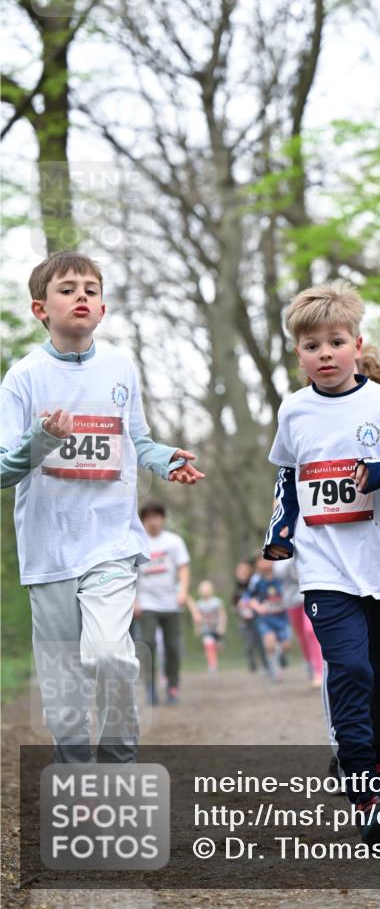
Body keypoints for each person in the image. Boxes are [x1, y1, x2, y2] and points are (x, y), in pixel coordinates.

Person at [0, 251, 204, 763]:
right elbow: (4, 469)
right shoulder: (23, 378)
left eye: (90, 288)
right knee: (64, 677)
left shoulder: (120, 368)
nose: (81, 296)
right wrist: (42, 438)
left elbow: (136, 439)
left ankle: (117, 764)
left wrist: (163, 460)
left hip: (111, 543)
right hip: (48, 551)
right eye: (67, 289)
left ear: (104, 307)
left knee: (112, 655)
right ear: (40, 308)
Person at [263, 281, 380, 844]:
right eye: (312, 345)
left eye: (335, 342)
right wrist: (280, 533)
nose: (325, 354)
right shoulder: (294, 409)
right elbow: (288, 478)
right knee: (350, 669)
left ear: (357, 345)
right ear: (299, 353)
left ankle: (379, 761)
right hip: (324, 568)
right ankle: (363, 786)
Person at [134, 501, 191, 704]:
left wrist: (183, 591)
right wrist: (134, 601)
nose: (153, 522)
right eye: (148, 518)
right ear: (143, 521)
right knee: (147, 643)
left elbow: (183, 567)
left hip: (171, 603)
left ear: (163, 519)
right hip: (147, 603)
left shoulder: (174, 541)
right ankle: (150, 687)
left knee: (173, 647)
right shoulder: (137, 543)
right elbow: (131, 574)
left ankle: (173, 687)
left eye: (156, 517)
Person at [274, 556, 323, 687]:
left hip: (310, 594)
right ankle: (309, 663)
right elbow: (278, 572)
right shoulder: (283, 540)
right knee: (302, 636)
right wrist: (293, 558)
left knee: (310, 631)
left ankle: (319, 671)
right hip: (291, 600)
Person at [244, 556, 292, 681]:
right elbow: (249, 598)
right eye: (261, 560)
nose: (265, 562)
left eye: (267, 559)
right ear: (257, 564)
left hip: (283, 618)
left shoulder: (281, 577)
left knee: (286, 645)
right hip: (266, 619)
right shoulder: (256, 581)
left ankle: (277, 655)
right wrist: (258, 607)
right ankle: (275, 671)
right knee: (269, 644)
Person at [232, 559, 267, 673]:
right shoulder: (237, 588)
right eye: (240, 571)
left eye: (244, 571)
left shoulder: (254, 584)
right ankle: (252, 666)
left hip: (257, 618)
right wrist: (239, 609)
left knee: (261, 642)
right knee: (249, 644)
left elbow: (260, 598)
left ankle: (266, 665)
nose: (242, 573)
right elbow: (234, 604)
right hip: (244, 621)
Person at [189, 580, 227, 673]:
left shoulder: (217, 602)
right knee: (208, 646)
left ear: (211, 590)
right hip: (206, 629)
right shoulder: (198, 604)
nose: (205, 592)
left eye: (207, 590)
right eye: (203, 590)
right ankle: (212, 664)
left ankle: (215, 656)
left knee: (218, 647)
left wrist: (222, 626)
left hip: (216, 629)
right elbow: (196, 618)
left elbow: (222, 615)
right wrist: (197, 628)